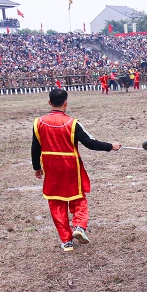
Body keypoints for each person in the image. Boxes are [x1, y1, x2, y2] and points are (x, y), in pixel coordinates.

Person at [31, 88, 122, 252]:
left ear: (49, 102)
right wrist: (111, 146)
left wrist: (37, 167)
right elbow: (90, 143)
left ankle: (66, 242)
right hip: (70, 166)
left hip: (51, 167)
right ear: (65, 103)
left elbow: (35, 147)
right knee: (78, 198)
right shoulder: (72, 123)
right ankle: (79, 226)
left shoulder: (38, 123)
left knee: (56, 202)